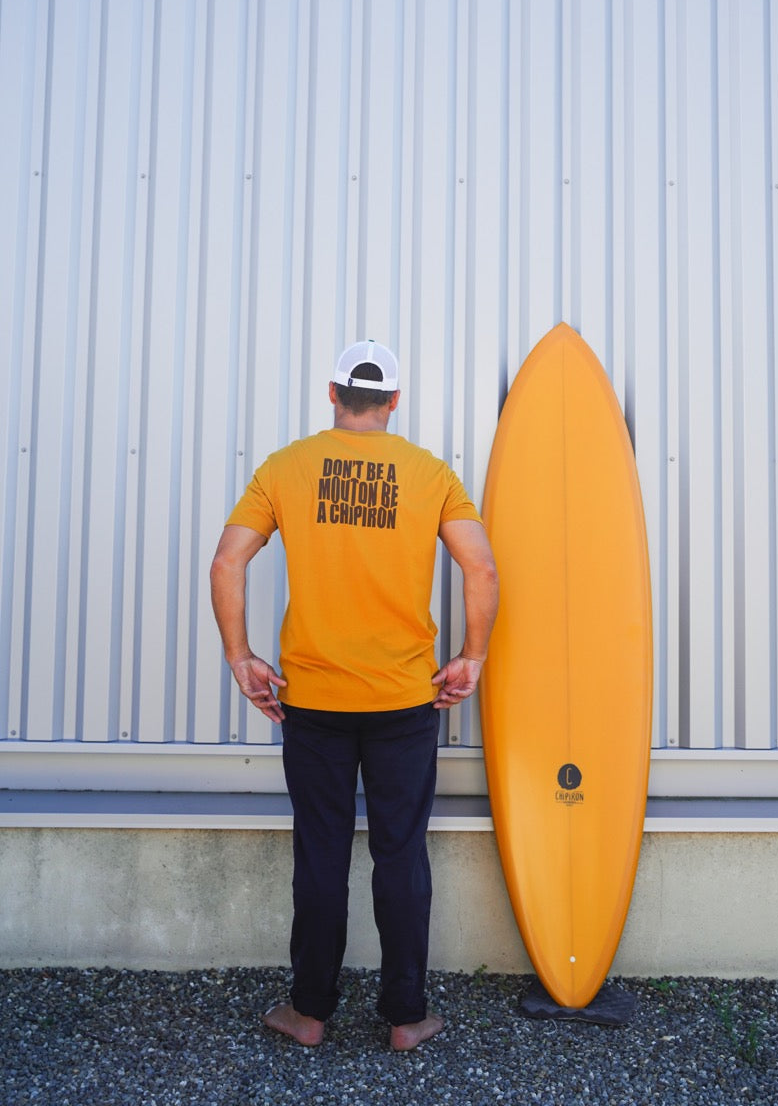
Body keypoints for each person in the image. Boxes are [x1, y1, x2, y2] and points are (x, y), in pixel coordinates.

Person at [210, 340, 499, 1051]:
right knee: (401, 854)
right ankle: (406, 1018)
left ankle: (310, 1013)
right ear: (394, 402)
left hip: (312, 700)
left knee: (322, 854)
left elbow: (227, 561)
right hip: (405, 701)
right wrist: (473, 656)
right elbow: (482, 568)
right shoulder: (430, 474)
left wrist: (241, 656)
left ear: (332, 393)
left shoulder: (286, 467)